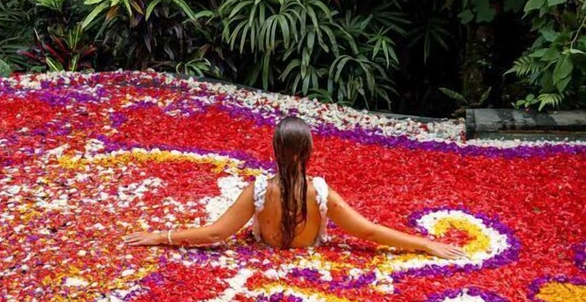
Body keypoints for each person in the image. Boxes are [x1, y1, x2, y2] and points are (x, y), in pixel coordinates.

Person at [123, 115, 468, 260]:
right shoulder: (321, 194)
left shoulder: (257, 191)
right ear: (308, 152)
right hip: (310, 261)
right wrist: (425, 244)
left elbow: (216, 233)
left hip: (263, 262)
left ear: (274, 151)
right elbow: (370, 233)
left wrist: (161, 237)